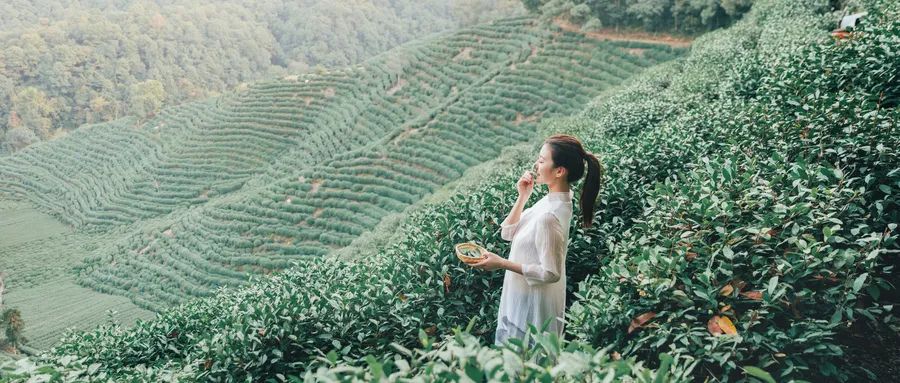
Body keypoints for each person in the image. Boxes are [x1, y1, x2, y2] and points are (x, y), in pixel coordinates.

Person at [469, 134, 602, 346]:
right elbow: (508, 233)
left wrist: (501, 263)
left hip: (532, 305)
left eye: (541, 160)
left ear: (559, 171)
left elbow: (550, 273)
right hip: (521, 296)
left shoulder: (549, 216)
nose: (536, 165)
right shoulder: (550, 201)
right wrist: (523, 196)